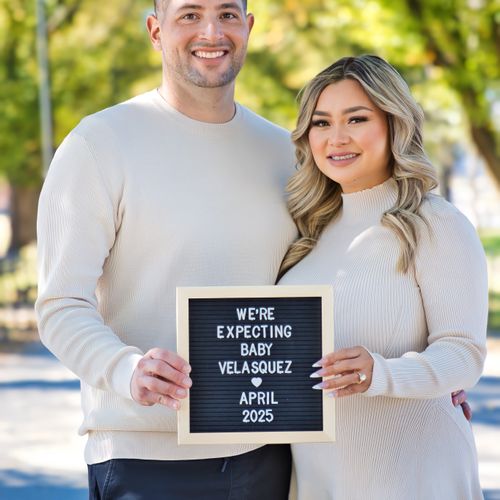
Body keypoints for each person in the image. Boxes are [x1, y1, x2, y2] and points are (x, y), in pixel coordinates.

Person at [35, 0, 296, 498]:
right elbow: (60, 303)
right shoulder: (99, 144)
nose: (212, 31)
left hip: (269, 448)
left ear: (249, 27)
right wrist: (125, 369)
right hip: (144, 454)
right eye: (190, 15)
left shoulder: (287, 153)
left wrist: (419, 370)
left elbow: (329, 278)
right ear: (156, 31)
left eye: (227, 14)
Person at [278, 55, 487, 499]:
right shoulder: (308, 232)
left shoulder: (434, 223)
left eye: (357, 118)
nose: (337, 138)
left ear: (395, 124)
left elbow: (463, 353)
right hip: (320, 480)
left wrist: (382, 373)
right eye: (321, 123)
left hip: (413, 478)